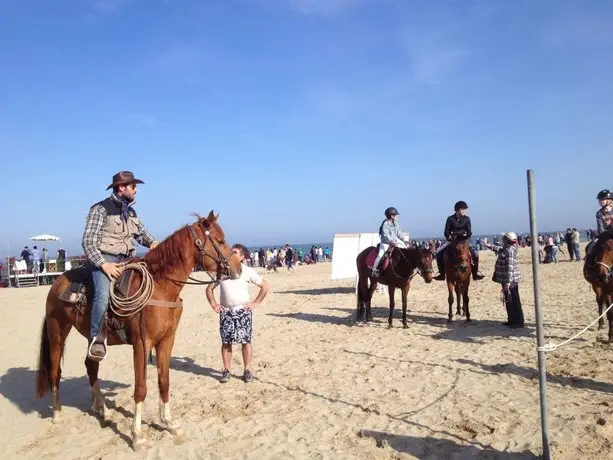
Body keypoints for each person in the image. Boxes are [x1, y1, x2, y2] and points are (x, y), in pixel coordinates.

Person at [81, 171, 159, 361]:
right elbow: (88, 242)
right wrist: (104, 265)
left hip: (129, 260)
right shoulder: (100, 209)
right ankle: (97, 338)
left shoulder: (131, 211)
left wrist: (155, 244)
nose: (136, 190)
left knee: (150, 288)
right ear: (121, 188)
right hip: (106, 260)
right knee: (102, 295)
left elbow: (141, 235)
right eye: (133, 187)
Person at [206, 244, 270, 383]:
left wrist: (255, 303)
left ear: (242, 257)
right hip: (226, 312)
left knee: (245, 341)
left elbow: (265, 286)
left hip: (243, 311)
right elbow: (209, 289)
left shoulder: (247, 271)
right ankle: (227, 370)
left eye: (234, 252)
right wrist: (214, 304)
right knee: (226, 342)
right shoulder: (222, 271)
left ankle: (247, 370)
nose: (230, 253)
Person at [434, 201, 485, 281]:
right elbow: (446, 233)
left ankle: (475, 273)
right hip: (452, 240)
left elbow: (469, 232)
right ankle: (442, 273)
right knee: (439, 253)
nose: (464, 211)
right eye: (462, 209)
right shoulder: (450, 219)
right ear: (457, 210)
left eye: (465, 209)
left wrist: (457, 233)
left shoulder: (467, 219)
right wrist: (452, 236)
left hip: (464, 240)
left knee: (475, 253)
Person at [484, 232, 524, 328]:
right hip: (506, 280)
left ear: (507, 240)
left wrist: (508, 283)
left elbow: (510, 268)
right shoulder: (506, 248)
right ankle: (511, 320)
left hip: (510, 280)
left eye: (504, 238)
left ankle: (518, 322)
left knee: (514, 300)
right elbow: (498, 249)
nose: (503, 239)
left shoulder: (510, 250)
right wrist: (487, 245)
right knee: (508, 300)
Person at [371, 207, 410, 277]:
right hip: (385, 243)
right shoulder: (385, 224)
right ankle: (374, 270)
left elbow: (399, 234)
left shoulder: (396, 224)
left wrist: (404, 240)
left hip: (394, 243)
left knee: (404, 251)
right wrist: (392, 241)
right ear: (391, 216)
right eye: (396, 215)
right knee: (380, 256)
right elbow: (386, 235)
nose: (397, 216)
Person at [586, 189, 613, 258]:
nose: (600, 201)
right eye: (599, 200)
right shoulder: (599, 213)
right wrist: (604, 234)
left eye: (602, 199)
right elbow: (600, 228)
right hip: (604, 235)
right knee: (590, 247)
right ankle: (590, 265)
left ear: (609, 200)